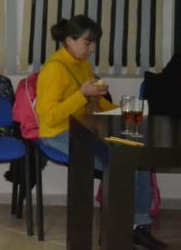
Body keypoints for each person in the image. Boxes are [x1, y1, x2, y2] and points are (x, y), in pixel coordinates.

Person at [36, 15, 166, 250]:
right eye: (87, 43)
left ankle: (137, 227)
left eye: (94, 43)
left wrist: (123, 112)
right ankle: (121, 231)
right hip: (57, 133)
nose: (92, 49)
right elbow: (50, 116)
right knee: (122, 163)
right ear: (69, 41)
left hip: (84, 129)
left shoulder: (82, 63)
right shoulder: (53, 70)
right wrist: (81, 95)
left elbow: (96, 103)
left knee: (138, 158)